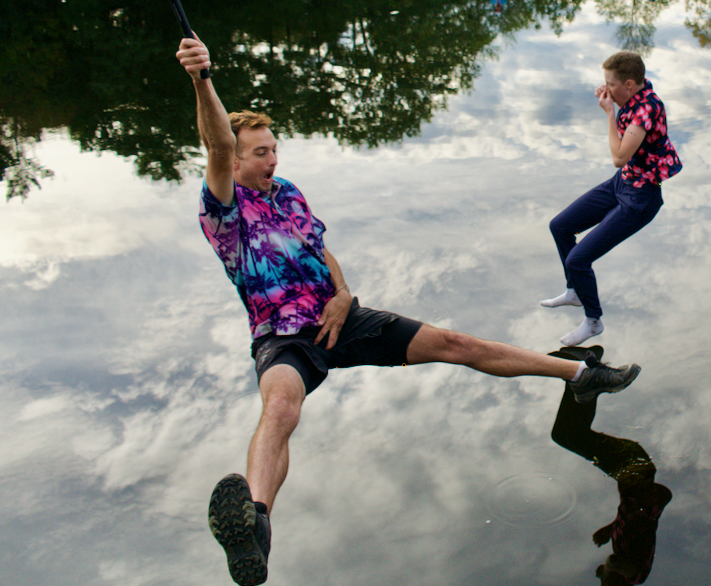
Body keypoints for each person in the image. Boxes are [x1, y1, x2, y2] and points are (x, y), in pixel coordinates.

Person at [174, 36, 641, 586]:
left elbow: (321, 250)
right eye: (260, 152)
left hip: (343, 316)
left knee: (454, 344)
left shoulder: (288, 193)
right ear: (233, 158)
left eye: (275, 148)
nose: (273, 159)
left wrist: (343, 294)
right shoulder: (226, 208)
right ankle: (254, 527)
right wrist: (203, 78)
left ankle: (580, 374)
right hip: (284, 336)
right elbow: (213, 142)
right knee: (280, 408)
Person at [539, 52, 682, 346]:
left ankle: (593, 322)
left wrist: (609, 112)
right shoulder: (637, 90)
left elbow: (618, 157)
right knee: (560, 226)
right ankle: (575, 291)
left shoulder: (646, 110)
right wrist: (611, 95)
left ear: (629, 84)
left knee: (578, 259)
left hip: (639, 200)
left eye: (610, 84)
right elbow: (622, 165)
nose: (605, 89)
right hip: (622, 183)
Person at [548, 346, 671, 586]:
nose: (600, 578)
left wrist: (612, 527)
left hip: (633, 473)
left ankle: (575, 372)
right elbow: (616, 563)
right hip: (634, 469)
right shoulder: (634, 574)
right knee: (575, 436)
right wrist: (607, 569)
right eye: (603, 581)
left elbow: (657, 502)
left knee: (562, 436)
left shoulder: (629, 550)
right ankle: (583, 369)